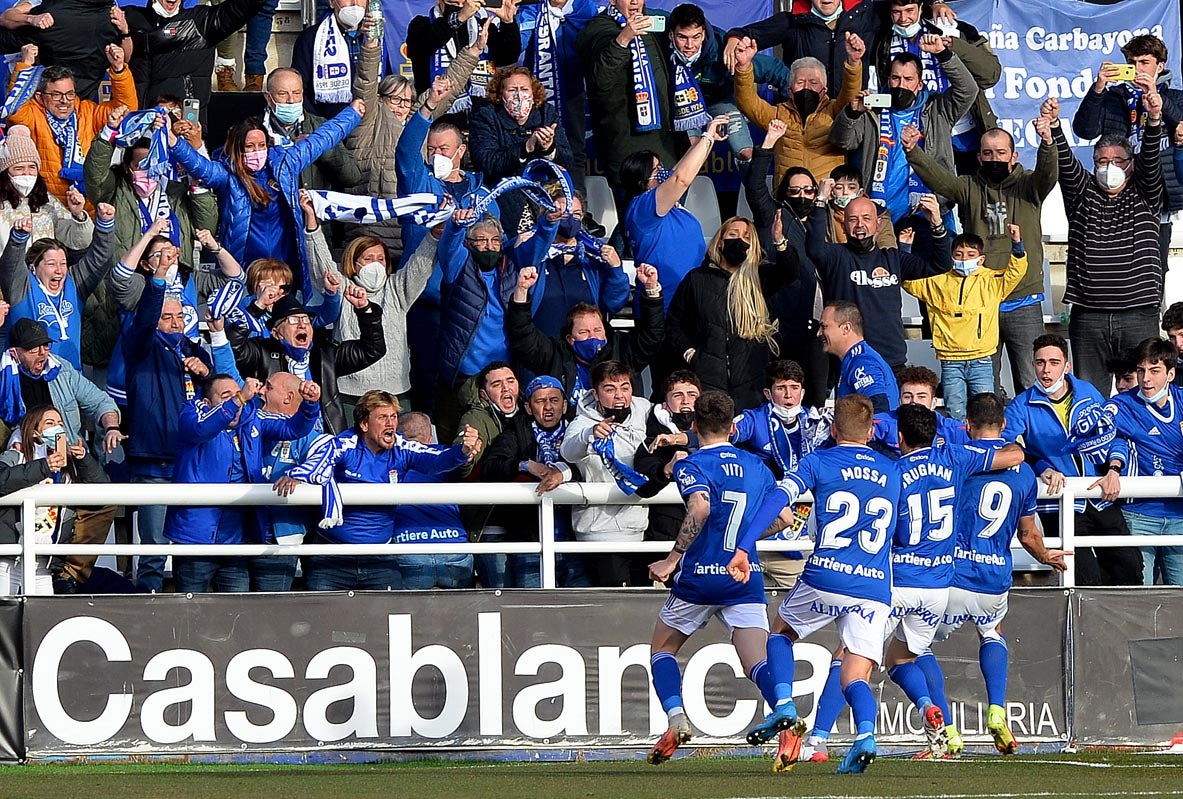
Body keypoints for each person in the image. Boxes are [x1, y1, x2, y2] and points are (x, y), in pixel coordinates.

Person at [728, 393, 900, 774]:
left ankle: (786, 705)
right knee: (856, 674)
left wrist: (744, 545)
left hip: (827, 572)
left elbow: (778, 498)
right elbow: (901, 531)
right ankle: (866, 735)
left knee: (781, 633)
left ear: (834, 429)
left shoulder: (818, 460)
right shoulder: (892, 471)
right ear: (872, 432)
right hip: (873, 585)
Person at [642, 390, 782, 766]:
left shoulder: (693, 463)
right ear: (734, 427)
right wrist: (743, 540)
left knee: (662, 649)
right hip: (743, 574)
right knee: (756, 662)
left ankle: (676, 719)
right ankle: (784, 718)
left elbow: (700, 506)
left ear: (693, 426)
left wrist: (673, 558)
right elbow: (784, 518)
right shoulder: (758, 466)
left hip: (700, 577)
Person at [931, 392, 1068, 756]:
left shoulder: (959, 462)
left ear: (967, 426)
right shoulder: (1023, 474)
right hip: (994, 576)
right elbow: (1028, 534)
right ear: (1004, 424)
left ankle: (946, 729)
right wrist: (1046, 556)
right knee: (992, 632)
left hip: (954, 571)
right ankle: (996, 710)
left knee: (912, 648)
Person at [903, 119, 1056, 394]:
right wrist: (914, 151)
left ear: (1013, 155)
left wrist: (1047, 142)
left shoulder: (1028, 186)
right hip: (981, 301)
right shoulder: (969, 187)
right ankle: (988, 437)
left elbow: (1048, 174)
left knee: (1031, 381)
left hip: (1024, 298)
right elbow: (941, 179)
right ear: (978, 156)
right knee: (985, 387)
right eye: (987, 153)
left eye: (1000, 153)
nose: (994, 159)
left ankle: (1033, 436)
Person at [273, 390, 481, 591]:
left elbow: (436, 459)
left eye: (393, 416)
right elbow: (323, 458)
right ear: (364, 424)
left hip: (380, 559)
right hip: (332, 557)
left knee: (387, 624)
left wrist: (462, 451)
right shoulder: (347, 443)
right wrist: (297, 474)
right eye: (382, 417)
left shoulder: (402, 448)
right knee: (324, 624)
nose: (391, 423)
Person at [167, 101, 363, 296]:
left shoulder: (286, 164)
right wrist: (173, 142)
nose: (257, 151)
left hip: (286, 266)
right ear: (238, 148)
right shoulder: (228, 174)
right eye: (250, 147)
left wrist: (352, 114)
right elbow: (201, 168)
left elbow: (322, 139)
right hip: (244, 268)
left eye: (261, 145)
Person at [1046, 93, 1164, 395]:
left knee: (1143, 393)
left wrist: (1153, 121)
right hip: (1089, 317)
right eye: (1101, 161)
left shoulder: (1145, 193)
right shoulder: (1082, 194)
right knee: (1089, 396)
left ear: (1130, 165)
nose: (1108, 166)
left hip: (1138, 314)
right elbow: (1066, 162)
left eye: (1117, 161)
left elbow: (1150, 160)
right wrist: (1055, 125)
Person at [1003, 334, 1143, 587]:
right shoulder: (1021, 405)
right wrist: (1042, 468)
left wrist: (1114, 469)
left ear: (1067, 365)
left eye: (1054, 362)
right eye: (1040, 362)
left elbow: (1114, 435)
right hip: (1058, 504)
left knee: (1130, 568)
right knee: (1083, 578)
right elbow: (1007, 448)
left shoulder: (1088, 391)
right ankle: (1087, 628)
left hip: (1102, 497)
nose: (1046, 370)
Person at [166, 373, 321, 593]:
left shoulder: (251, 418)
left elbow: (293, 428)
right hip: (195, 539)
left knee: (236, 614)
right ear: (207, 402)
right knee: (191, 616)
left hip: (236, 542)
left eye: (237, 394)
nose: (236, 400)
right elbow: (201, 429)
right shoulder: (192, 413)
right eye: (226, 396)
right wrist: (239, 399)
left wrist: (310, 404)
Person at [346, 18, 479, 258]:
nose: (400, 106)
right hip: (372, 236)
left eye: (406, 101)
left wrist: (474, 51)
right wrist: (371, 43)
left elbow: (447, 90)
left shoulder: (417, 123)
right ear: (380, 100)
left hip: (411, 234)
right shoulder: (368, 120)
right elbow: (365, 82)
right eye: (394, 99)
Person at [303, 194, 437, 416]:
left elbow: (421, 263)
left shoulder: (397, 289)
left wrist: (436, 234)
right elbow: (322, 266)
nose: (375, 264)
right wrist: (311, 221)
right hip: (350, 392)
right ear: (353, 264)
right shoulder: (345, 288)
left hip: (396, 392)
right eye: (368, 258)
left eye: (381, 259)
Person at [122, 265, 212, 592]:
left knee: (194, 542)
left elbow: (219, 391)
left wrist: (206, 374)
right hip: (154, 464)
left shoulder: (193, 350)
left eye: (178, 317)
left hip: (191, 463)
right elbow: (145, 318)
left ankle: (193, 604)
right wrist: (157, 282)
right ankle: (150, 607)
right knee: (154, 547)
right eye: (166, 317)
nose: (174, 323)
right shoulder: (140, 345)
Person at [829, 41, 978, 223]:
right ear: (888, 80)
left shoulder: (938, 109)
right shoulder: (872, 109)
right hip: (879, 213)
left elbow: (968, 90)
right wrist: (852, 113)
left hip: (929, 209)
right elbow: (842, 141)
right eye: (895, 78)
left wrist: (943, 54)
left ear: (920, 83)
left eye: (908, 79)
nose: (901, 85)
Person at [806, 189, 949, 371]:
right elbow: (813, 248)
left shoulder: (893, 259)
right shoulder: (836, 256)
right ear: (843, 226)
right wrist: (820, 201)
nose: (860, 225)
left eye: (866, 218)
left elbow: (940, 265)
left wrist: (936, 223)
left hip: (891, 362)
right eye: (853, 219)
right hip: (849, 362)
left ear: (878, 224)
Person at [664, 215, 797, 411]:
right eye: (733, 234)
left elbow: (790, 271)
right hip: (708, 380)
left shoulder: (760, 277)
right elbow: (675, 323)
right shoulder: (697, 279)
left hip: (751, 382)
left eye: (746, 237)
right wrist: (691, 354)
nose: (739, 240)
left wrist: (779, 240)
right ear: (719, 242)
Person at [1072, 35, 1183, 268]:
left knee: (1153, 265)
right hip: (1119, 191)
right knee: (1114, 261)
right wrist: (1099, 88)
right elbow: (1084, 130)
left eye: (1144, 63)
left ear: (1160, 66)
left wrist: (1156, 96)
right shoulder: (1114, 97)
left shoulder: (1175, 97)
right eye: (1131, 63)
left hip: (1157, 195)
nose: (1137, 69)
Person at [901, 225, 1027, 420]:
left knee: (985, 412)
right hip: (950, 361)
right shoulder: (937, 281)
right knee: (955, 412)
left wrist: (1017, 244)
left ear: (981, 259)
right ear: (951, 257)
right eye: (959, 254)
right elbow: (909, 283)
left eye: (970, 254)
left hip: (982, 360)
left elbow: (1015, 272)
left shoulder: (992, 281)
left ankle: (983, 448)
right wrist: (905, 249)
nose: (964, 259)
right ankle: (958, 447)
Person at [741, 123, 827, 405]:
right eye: (795, 190)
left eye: (808, 191)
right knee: (779, 392)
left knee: (814, 396)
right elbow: (754, 187)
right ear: (783, 193)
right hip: (782, 320)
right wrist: (769, 143)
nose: (802, 196)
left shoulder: (820, 221)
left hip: (815, 324)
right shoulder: (774, 216)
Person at [870, 0, 1001, 176]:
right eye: (897, 12)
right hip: (918, 133)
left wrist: (954, 46)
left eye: (909, 11)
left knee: (971, 192)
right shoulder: (882, 40)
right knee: (931, 195)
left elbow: (990, 75)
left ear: (921, 7)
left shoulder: (951, 29)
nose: (903, 18)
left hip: (963, 130)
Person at [730, 359, 830, 590]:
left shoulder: (816, 422)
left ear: (802, 392)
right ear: (768, 393)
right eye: (781, 388)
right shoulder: (755, 419)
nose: (788, 395)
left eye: (794, 388)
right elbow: (722, 432)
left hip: (800, 536)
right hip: (760, 536)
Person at [228, 290, 385, 435]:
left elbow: (372, 349)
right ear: (276, 333)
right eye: (293, 320)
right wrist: (257, 308)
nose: (302, 324)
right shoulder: (261, 352)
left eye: (306, 320)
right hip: (277, 438)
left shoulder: (325, 355)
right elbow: (231, 347)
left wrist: (365, 310)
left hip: (323, 439)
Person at [481, 375, 587, 588]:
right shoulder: (516, 431)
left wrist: (563, 473)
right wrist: (525, 465)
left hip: (576, 541)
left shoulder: (580, 431)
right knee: (533, 612)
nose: (548, 407)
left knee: (582, 610)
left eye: (554, 400)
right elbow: (491, 466)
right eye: (540, 401)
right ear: (529, 408)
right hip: (530, 541)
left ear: (565, 405)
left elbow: (592, 466)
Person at [508, 264, 664, 408]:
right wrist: (521, 291)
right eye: (584, 332)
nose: (592, 337)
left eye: (597, 330)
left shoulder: (622, 349)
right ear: (570, 339)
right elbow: (523, 335)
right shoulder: (554, 354)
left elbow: (652, 334)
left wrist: (651, 290)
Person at [84, 106, 217, 269]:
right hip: (128, 284)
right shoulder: (115, 191)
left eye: (151, 164)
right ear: (127, 167)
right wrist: (109, 132)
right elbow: (95, 175)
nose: (146, 172)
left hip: (175, 281)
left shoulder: (177, 193)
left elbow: (206, 227)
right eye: (140, 165)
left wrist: (198, 190)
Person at [7, 43, 138, 205]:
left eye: (69, 94)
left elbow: (126, 110)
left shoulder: (87, 111)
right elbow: (14, 110)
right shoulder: (33, 114)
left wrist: (119, 70)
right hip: (48, 207)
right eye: (56, 95)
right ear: (40, 97)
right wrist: (25, 67)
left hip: (88, 206)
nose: (64, 101)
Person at [619, 115, 730, 306]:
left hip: (690, 301)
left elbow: (679, 171)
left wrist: (707, 142)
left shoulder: (664, 204)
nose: (664, 173)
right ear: (642, 181)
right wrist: (707, 137)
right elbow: (681, 178)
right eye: (657, 170)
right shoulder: (642, 208)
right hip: (663, 304)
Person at [560, 360, 652, 586]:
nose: (619, 396)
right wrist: (589, 435)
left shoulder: (644, 409)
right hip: (599, 534)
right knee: (615, 611)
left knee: (642, 607)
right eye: (610, 389)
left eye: (625, 387)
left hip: (640, 531)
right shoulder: (581, 422)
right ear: (596, 392)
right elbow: (567, 451)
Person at [0, 405, 108, 595]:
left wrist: (84, 459)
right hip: (8, 560)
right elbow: (2, 480)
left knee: (40, 620)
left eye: (60, 424)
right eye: (50, 423)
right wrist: (44, 466)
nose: (57, 428)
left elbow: (102, 494)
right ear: (34, 432)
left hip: (44, 565)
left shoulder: (70, 469)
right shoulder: (16, 457)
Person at [730, 29, 861, 186]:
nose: (806, 87)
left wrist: (853, 63)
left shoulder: (835, 111)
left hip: (827, 199)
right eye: (800, 83)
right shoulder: (779, 114)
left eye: (813, 83)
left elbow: (850, 96)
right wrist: (744, 67)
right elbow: (748, 102)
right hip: (788, 200)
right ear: (790, 91)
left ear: (824, 90)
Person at [1102, 337, 1183, 586]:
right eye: (1141, 370)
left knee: (1178, 598)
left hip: (1180, 515)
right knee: (1138, 598)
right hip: (1138, 515)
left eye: (1155, 370)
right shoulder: (1120, 406)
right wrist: (1113, 469)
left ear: (1170, 374)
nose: (1146, 378)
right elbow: (1112, 440)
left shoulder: (1182, 400)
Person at [667, 3, 791, 165]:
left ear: (703, 34)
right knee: (693, 149)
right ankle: (680, 189)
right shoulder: (662, 47)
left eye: (696, 37)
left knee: (746, 153)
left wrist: (790, 107)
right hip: (684, 105)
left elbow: (775, 69)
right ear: (671, 35)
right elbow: (645, 11)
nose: (690, 46)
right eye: (682, 37)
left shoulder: (724, 50)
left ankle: (756, 190)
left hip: (720, 102)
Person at [0, 204, 115, 370]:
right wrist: (18, 239)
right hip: (29, 380)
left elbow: (99, 260)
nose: (59, 270)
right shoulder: (22, 286)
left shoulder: (74, 282)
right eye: (51, 264)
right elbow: (9, 267)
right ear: (34, 267)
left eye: (63, 263)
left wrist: (105, 225)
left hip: (71, 378)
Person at [577, 0, 678, 188]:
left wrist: (734, 37)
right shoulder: (597, 29)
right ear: (612, 1)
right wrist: (623, 40)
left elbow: (697, 30)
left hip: (665, 150)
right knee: (636, 214)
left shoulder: (657, 22)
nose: (634, 1)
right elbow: (600, 80)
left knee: (669, 212)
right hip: (626, 154)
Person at [509, 188, 629, 338]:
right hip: (540, 349)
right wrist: (548, 225)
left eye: (576, 214)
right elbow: (527, 256)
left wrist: (616, 269)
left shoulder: (594, 254)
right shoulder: (530, 246)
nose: (570, 219)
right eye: (564, 214)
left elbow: (614, 304)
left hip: (583, 351)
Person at [468, 66, 573, 232]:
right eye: (512, 90)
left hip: (545, 196)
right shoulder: (485, 116)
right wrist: (525, 148)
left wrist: (549, 148)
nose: (519, 96)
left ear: (533, 92)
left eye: (524, 89)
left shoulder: (547, 113)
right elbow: (486, 162)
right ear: (500, 94)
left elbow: (567, 162)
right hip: (506, 199)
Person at [385, 411, 477, 590]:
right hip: (454, 551)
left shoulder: (391, 458)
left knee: (409, 616)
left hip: (409, 550)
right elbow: (465, 466)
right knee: (462, 615)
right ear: (429, 437)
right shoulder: (446, 455)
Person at [123, 0, 264, 112]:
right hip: (138, 127)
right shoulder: (129, 19)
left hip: (186, 126)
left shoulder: (202, 22)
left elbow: (242, 7)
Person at [722, 0, 880, 99]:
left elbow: (901, 11)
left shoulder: (865, 15)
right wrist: (734, 39)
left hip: (851, 117)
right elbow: (745, 34)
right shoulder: (792, 21)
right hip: (802, 118)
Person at [253, 371, 324, 591]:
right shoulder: (251, 422)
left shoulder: (309, 434)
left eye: (268, 387)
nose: (261, 391)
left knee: (267, 613)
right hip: (239, 532)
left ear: (288, 398)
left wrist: (300, 474)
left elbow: (323, 464)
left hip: (278, 540)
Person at [517, 0, 597, 189]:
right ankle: (539, 205)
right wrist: (509, 25)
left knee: (574, 151)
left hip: (574, 94)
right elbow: (516, 46)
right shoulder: (531, 9)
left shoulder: (585, 7)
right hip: (538, 96)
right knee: (537, 148)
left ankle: (576, 208)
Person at [1, 0, 131, 101]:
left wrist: (125, 31)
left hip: (62, 99)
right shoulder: (44, 6)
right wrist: (31, 19)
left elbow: (123, 59)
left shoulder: (112, 12)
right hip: (43, 89)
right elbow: (6, 18)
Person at [260, 68, 361, 193]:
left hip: (311, 209)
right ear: (268, 97)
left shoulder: (320, 125)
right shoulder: (254, 129)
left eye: (296, 93)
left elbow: (353, 177)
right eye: (282, 94)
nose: (291, 100)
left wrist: (319, 146)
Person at [633, 370, 700, 552]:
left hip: (710, 537)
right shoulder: (652, 441)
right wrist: (666, 469)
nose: (686, 401)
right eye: (678, 395)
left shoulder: (719, 438)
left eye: (692, 395)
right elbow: (642, 481)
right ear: (666, 405)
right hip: (666, 537)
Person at [0, 124, 92, 255]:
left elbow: (78, 241)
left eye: (32, 167)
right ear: (5, 172)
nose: (27, 173)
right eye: (19, 168)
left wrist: (78, 215)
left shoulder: (48, 201)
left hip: (43, 273)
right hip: (8, 274)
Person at [405, 0, 522, 98]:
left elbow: (508, 57)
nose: (461, 5)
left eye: (464, 1)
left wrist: (508, 23)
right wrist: (460, 17)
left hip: (480, 109)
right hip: (437, 108)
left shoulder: (483, 26)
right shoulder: (422, 24)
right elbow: (421, 48)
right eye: (454, 2)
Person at [290, 0, 372, 119]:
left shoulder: (378, 37)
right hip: (327, 123)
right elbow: (301, 88)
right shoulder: (312, 38)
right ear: (332, 3)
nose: (355, 3)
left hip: (371, 122)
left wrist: (373, 40)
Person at [816, 301, 898, 412]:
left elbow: (878, 408)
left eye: (824, 327)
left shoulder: (862, 362)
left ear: (846, 328)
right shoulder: (854, 359)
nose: (819, 333)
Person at [869, 364, 965, 454]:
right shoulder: (880, 424)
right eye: (907, 396)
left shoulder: (952, 429)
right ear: (899, 400)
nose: (913, 401)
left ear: (934, 402)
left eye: (921, 397)